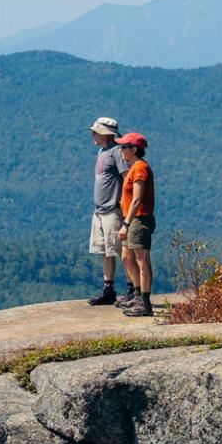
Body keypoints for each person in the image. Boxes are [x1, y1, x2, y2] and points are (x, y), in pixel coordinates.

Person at [86, 116, 128, 306]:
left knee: (121, 250)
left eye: (95, 131)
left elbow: (127, 178)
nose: (92, 134)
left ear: (104, 134)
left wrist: (126, 207)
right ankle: (108, 289)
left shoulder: (116, 152)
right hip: (101, 210)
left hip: (113, 210)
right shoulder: (103, 151)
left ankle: (132, 289)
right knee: (106, 251)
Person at [116, 132, 156, 317]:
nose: (121, 150)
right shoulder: (133, 167)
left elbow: (137, 199)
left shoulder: (140, 168)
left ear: (133, 149)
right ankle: (138, 295)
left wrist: (126, 223)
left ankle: (145, 303)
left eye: (124, 147)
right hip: (132, 219)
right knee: (126, 256)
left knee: (142, 260)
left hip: (139, 219)